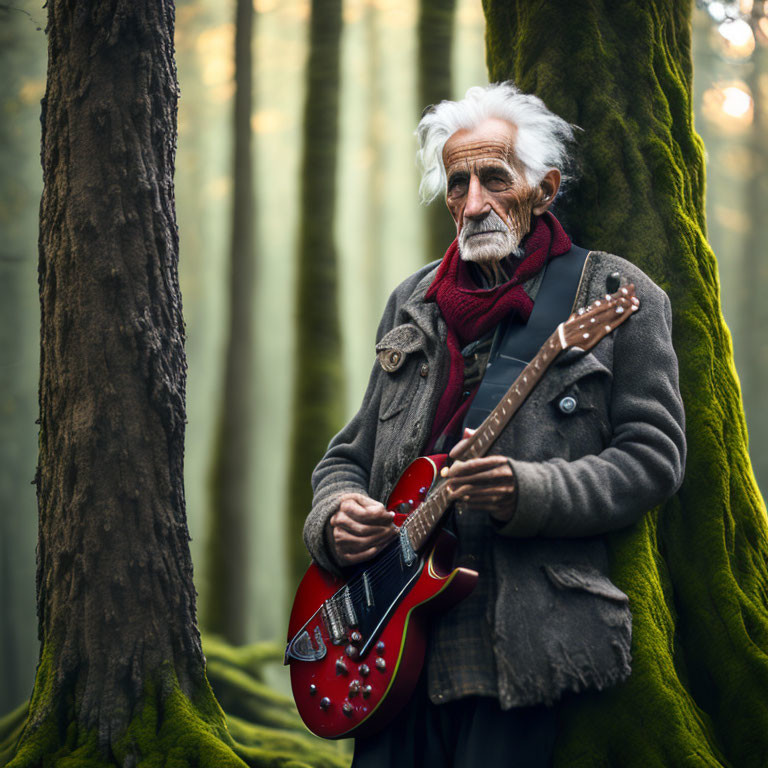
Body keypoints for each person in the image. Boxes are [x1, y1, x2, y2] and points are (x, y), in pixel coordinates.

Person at [302, 82, 686, 767]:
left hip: (523, 645)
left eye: (494, 179)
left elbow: (654, 458)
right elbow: (346, 456)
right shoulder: (412, 301)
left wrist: (530, 492)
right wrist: (335, 516)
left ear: (544, 187)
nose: (473, 202)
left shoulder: (616, 296)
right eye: (458, 183)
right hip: (384, 642)